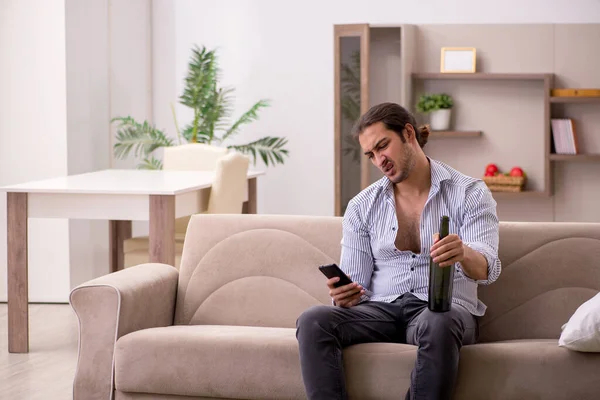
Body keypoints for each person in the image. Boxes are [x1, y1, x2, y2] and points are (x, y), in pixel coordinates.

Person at [296, 102, 501, 400]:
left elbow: (488, 269)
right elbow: (357, 284)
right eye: (371, 155)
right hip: (381, 310)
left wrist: (462, 252)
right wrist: (344, 295)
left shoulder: (469, 192)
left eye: (383, 146)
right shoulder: (362, 206)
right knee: (313, 320)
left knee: (438, 321)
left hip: (443, 310)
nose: (380, 160)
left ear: (408, 133)